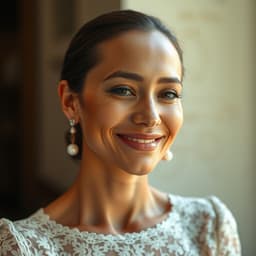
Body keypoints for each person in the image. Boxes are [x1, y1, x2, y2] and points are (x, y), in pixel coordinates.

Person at [0, 10, 241, 255]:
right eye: (123, 90)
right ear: (71, 102)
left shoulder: (208, 226)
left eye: (168, 94)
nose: (150, 117)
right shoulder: (23, 247)